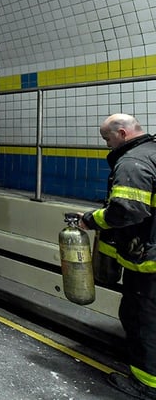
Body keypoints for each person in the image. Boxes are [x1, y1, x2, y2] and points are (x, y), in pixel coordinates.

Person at [79, 113, 156, 400]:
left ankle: (147, 384)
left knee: (141, 318)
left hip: (151, 262)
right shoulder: (153, 152)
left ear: (122, 134)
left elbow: (126, 210)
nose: (106, 145)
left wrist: (93, 219)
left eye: (107, 139)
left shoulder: (132, 162)